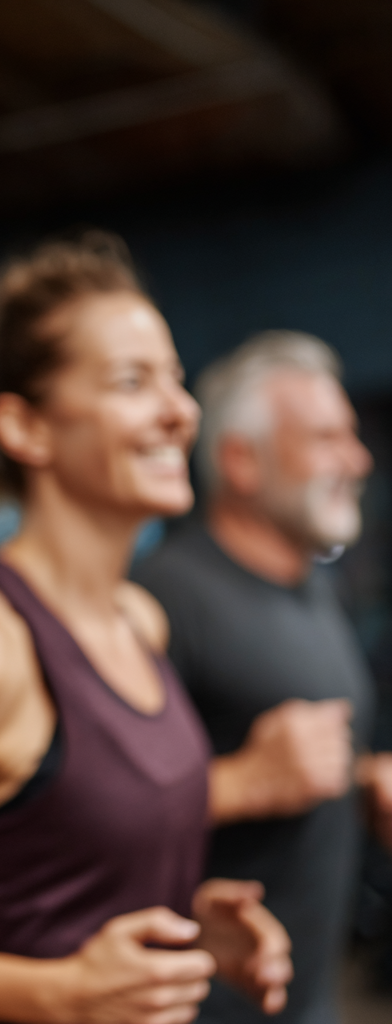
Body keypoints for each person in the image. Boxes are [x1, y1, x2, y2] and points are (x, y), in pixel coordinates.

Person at [0, 234, 292, 1024]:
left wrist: (196, 937)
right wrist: (57, 995)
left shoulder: (138, 621)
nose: (181, 412)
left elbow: (69, 877)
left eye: (177, 381)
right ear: (27, 428)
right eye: (134, 382)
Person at [134, 331, 392, 1024]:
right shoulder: (165, 598)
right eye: (327, 438)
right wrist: (240, 782)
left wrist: (365, 781)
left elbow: (301, 749)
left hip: (307, 994)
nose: (358, 457)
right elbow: (89, 812)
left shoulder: (312, 583)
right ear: (241, 461)